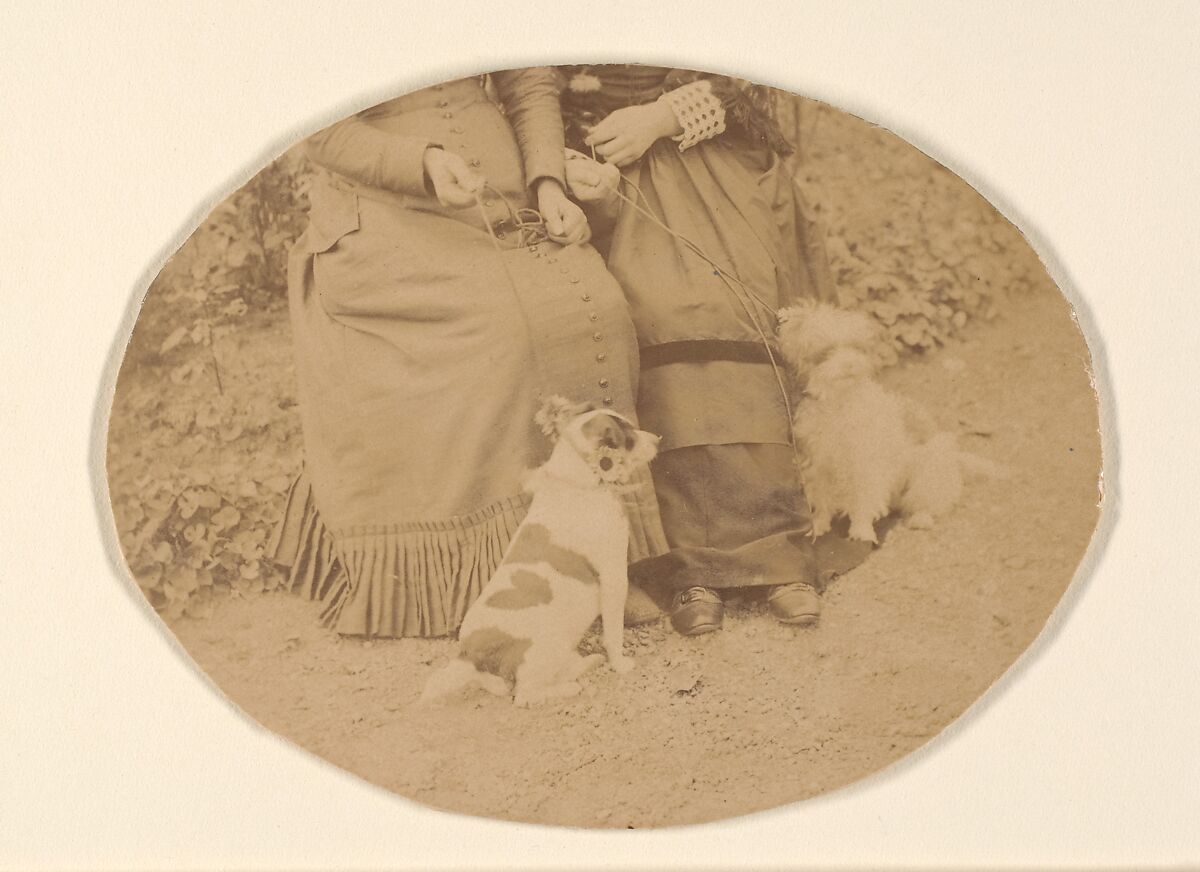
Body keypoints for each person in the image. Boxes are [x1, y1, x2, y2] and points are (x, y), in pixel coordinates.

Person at [269, 67, 666, 638]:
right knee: (503, 329)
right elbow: (323, 132)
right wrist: (423, 162)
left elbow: (528, 82)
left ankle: (597, 559)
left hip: (498, 200)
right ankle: (497, 575)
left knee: (595, 307)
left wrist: (547, 182)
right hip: (386, 214)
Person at [558, 64, 839, 636]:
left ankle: (780, 555)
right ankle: (691, 567)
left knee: (734, 308)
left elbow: (752, 74)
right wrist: (564, 162)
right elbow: (527, 91)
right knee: (650, 317)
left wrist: (661, 118)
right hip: (600, 177)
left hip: (716, 159)